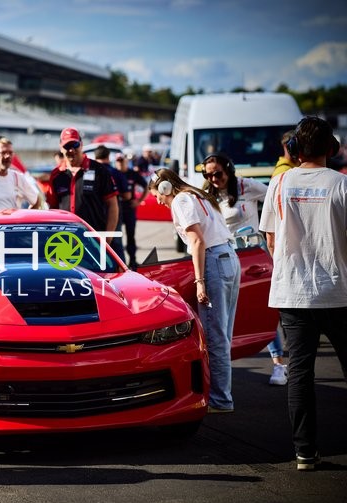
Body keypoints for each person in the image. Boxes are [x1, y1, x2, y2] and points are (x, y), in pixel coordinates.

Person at [258, 116, 347, 471]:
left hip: (292, 294)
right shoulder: (341, 184)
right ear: (332, 148)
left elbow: (270, 240)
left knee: (300, 374)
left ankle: (305, 453)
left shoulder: (279, 183)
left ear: (294, 148)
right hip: (338, 292)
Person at [149, 167, 240, 414]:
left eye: (157, 195)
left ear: (165, 188)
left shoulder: (180, 200)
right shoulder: (199, 195)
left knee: (214, 336)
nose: (158, 200)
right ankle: (223, 395)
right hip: (229, 257)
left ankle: (220, 400)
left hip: (213, 261)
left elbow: (197, 240)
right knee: (223, 334)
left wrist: (199, 281)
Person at [202, 152, 287, 385]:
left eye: (217, 173)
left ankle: (279, 364)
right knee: (226, 314)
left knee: (260, 309)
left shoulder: (245, 186)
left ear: (229, 169)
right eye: (208, 175)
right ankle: (222, 368)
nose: (213, 179)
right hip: (223, 258)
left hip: (251, 257)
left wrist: (271, 231)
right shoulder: (207, 195)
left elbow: (276, 199)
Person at [46, 128, 119, 243]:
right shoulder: (57, 175)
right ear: (61, 148)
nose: (71, 150)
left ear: (81, 144)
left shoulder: (99, 170)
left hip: (93, 240)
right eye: (67, 146)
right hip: (64, 240)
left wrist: (108, 237)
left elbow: (112, 205)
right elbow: (52, 209)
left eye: (75, 145)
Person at [93, 145, 129, 263]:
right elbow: (127, 195)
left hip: (94, 214)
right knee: (116, 244)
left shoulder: (90, 172)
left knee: (93, 244)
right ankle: (121, 269)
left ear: (95, 157)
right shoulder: (116, 173)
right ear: (108, 156)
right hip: (113, 213)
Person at [114, 153, 148, 268]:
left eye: (121, 161)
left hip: (129, 208)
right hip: (116, 209)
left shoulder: (132, 174)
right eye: (118, 161)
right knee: (116, 237)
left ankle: (133, 261)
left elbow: (146, 186)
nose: (120, 163)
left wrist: (139, 201)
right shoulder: (113, 173)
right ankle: (118, 262)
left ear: (126, 161)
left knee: (130, 235)